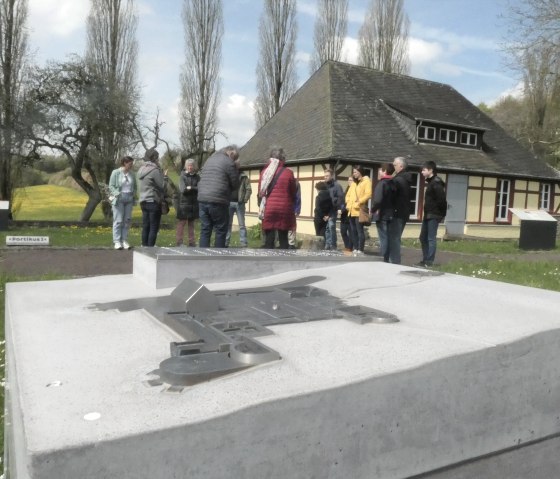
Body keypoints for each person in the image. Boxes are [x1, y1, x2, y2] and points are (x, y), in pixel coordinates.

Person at [197, 145, 240, 248]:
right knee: (220, 229)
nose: (235, 160)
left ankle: (202, 257)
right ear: (232, 154)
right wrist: (236, 169)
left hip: (202, 199)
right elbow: (235, 184)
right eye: (235, 158)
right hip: (218, 200)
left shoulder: (209, 159)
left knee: (205, 229)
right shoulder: (229, 162)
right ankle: (218, 258)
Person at [258, 147, 296, 249]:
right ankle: (283, 261)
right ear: (283, 158)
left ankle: (269, 261)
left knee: (269, 238)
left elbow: (260, 192)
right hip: (284, 208)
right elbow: (293, 191)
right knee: (283, 238)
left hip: (269, 208)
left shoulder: (264, 172)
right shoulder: (288, 172)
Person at [417, 160, 447, 267]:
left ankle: (429, 261)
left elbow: (442, 200)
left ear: (431, 170)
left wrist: (441, 214)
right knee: (423, 237)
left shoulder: (436, 183)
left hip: (434, 215)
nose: (422, 172)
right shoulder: (431, 182)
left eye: (424, 170)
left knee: (430, 238)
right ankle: (426, 260)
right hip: (428, 214)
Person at [138, 148, 168, 247]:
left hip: (143, 201)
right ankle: (150, 248)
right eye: (157, 158)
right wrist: (165, 177)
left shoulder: (141, 169)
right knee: (153, 226)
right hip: (153, 200)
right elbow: (162, 185)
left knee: (146, 225)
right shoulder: (154, 170)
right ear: (154, 158)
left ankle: (144, 246)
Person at [108, 156, 138, 250]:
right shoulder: (115, 172)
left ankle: (124, 240)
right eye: (130, 164)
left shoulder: (132, 174)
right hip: (119, 198)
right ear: (124, 163)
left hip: (129, 198)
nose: (131, 165)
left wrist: (133, 194)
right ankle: (117, 241)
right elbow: (111, 186)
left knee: (127, 220)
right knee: (118, 220)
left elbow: (135, 186)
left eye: (132, 164)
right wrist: (117, 194)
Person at [388, 156, 413, 264]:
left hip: (397, 212)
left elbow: (391, 196)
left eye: (395, 165)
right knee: (396, 237)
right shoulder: (406, 179)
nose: (393, 167)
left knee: (394, 238)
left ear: (401, 166)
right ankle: (394, 260)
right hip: (403, 212)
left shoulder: (398, 180)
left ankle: (394, 261)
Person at [370, 163, 395, 262]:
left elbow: (377, 201)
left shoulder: (382, 183)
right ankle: (387, 258)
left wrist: (372, 210)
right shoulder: (393, 183)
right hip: (391, 214)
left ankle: (383, 259)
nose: (379, 172)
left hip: (382, 214)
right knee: (388, 237)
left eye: (380, 170)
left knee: (383, 238)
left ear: (384, 171)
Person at [345, 166, 372, 255]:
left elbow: (368, 194)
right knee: (353, 231)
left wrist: (359, 201)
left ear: (360, 172)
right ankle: (355, 248)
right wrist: (348, 204)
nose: (354, 174)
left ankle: (361, 249)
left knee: (359, 230)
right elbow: (347, 196)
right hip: (351, 210)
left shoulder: (366, 181)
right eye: (353, 172)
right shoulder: (353, 184)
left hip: (359, 210)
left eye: (355, 172)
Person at [226, 160, 252, 247]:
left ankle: (243, 243)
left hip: (240, 204)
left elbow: (249, 189)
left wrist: (244, 200)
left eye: (236, 166)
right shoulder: (228, 176)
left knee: (242, 225)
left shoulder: (244, 176)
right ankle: (226, 243)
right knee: (228, 224)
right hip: (229, 203)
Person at [175, 158, 200, 247]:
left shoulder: (197, 177)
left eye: (192, 165)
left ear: (194, 167)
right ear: (186, 166)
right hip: (184, 204)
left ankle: (192, 242)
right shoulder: (182, 176)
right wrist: (193, 188)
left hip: (193, 204)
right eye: (189, 165)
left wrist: (191, 188)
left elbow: (199, 188)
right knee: (182, 223)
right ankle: (179, 242)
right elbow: (183, 190)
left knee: (191, 224)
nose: (190, 167)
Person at [324, 169, 344, 250]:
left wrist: (339, 208)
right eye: (324, 176)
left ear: (331, 176)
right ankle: (327, 244)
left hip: (333, 209)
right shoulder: (324, 186)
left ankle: (333, 245)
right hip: (326, 210)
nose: (325, 177)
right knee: (327, 228)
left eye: (327, 176)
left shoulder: (337, 186)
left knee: (331, 226)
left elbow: (340, 198)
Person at [340, 176, 354, 252]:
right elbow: (342, 202)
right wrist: (340, 208)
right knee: (343, 232)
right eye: (348, 180)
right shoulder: (345, 192)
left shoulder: (355, 191)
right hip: (344, 216)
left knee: (351, 233)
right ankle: (347, 246)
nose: (349, 181)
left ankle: (350, 248)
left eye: (351, 180)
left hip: (351, 215)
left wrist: (343, 209)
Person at [288, 180, 301, 249]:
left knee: (291, 226)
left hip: (292, 207)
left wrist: (297, 209)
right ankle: (290, 243)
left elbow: (298, 197)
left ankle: (291, 243)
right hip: (287, 207)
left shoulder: (296, 183)